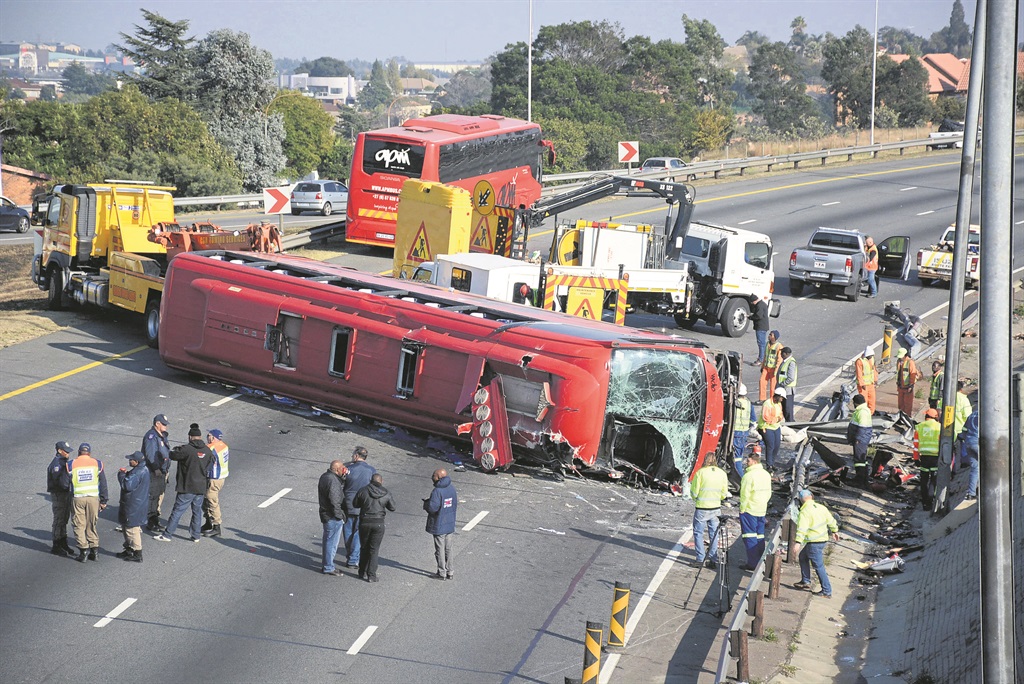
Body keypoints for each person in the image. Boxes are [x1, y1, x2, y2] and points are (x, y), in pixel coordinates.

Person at [155, 423, 215, 543]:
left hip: (187, 486)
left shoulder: (186, 449)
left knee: (177, 511)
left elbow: (172, 454)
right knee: (197, 511)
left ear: (190, 437)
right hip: (200, 487)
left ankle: (167, 534)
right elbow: (211, 464)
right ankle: (196, 535)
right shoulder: (207, 451)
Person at [792, 490, 840, 598]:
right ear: (812, 497)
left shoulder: (805, 512)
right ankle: (805, 581)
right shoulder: (821, 508)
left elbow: (802, 528)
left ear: (801, 500)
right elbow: (831, 520)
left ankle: (826, 591)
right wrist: (835, 531)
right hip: (822, 540)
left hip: (814, 542)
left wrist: (798, 542)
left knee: (819, 566)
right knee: (803, 557)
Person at [67, 443, 108, 562]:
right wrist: (104, 500)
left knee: (79, 525)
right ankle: (94, 551)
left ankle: (83, 551)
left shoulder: (71, 464)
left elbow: (66, 483)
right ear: (89, 453)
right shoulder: (97, 463)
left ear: (79, 452)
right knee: (91, 524)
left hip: (78, 498)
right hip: (93, 498)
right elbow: (103, 483)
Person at [353, 473, 396, 583]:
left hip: (365, 522)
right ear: (381, 481)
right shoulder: (386, 492)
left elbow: (355, 504)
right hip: (378, 523)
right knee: (374, 549)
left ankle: (361, 571)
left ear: (370, 480)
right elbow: (392, 507)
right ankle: (371, 575)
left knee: (364, 547)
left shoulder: (363, 490)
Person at [689, 455, 729, 569]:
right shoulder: (722, 473)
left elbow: (694, 492)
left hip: (702, 508)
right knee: (714, 534)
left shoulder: (700, 473)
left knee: (698, 533)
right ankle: (713, 559)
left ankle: (700, 559)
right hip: (716, 508)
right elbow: (724, 493)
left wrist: (696, 498)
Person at [342, 446, 376, 569]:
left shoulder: (348, 469)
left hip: (348, 504)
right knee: (357, 533)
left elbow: (341, 482)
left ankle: (350, 555)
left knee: (347, 531)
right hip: (363, 505)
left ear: (356, 456)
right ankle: (352, 559)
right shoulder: (372, 470)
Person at [739, 449, 772, 570]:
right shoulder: (766, 474)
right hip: (761, 509)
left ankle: (753, 563)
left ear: (753, 461)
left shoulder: (749, 476)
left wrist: (742, 509)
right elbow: (769, 492)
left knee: (749, 536)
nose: (746, 462)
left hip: (750, 509)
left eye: (748, 460)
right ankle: (761, 560)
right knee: (760, 536)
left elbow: (745, 494)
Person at [116, 451, 150, 563]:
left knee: (132, 529)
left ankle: (137, 552)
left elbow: (127, 486)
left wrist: (121, 475)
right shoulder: (142, 470)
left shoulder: (137, 472)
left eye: (131, 460)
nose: (129, 461)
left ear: (136, 462)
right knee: (126, 527)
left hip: (133, 506)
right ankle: (129, 549)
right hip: (137, 504)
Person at [424, 468, 458, 580]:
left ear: (438, 477)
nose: (432, 477)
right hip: (449, 523)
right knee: (449, 548)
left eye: (433, 475)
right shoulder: (451, 488)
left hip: (439, 524)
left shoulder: (437, 491)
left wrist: (426, 504)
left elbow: (433, 508)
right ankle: (450, 571)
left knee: (440, 549)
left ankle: (441, 572)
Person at [318, 460, 348, 575]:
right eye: (342, 468)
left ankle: (327, 564)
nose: (344, 470)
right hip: (332, 517)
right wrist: (340, 516)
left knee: (328, 541)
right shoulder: (333, 481)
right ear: (336, 469)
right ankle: (328, 567)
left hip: (326, 515)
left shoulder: (325, 477)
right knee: (332, 543)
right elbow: (335, 501)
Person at [142, 414, 171, 533]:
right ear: (157, 424)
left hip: (162, 471)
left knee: (158, 494)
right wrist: (155, 468)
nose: (166, 426)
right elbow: (150, 454)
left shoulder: (162, 436)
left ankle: (154, 518)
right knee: (153, 496)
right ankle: (151, 520)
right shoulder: (151, 436)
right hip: (155, 472)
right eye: (163, 424)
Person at [46, 440, 75, 556]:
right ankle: (56, 544)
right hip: (59, 495)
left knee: (64, 518)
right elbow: (61, 482)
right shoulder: (57, 464)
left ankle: (63, 542)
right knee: (59, 519)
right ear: (59, 451)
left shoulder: (64, 462)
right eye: (66, 451)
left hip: (65, 494)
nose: (68, 453)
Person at [202, 429, 229, 538]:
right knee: (206, 499)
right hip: (221, 478)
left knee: (211, 501)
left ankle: (216, 526)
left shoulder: (211, 448)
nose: (207, 437)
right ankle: (208, 522)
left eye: (208, 436)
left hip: (214, 479)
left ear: (213, 437)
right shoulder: (223, 446)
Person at [914, 408, 941, 510]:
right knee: (933, 480)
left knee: (924, 480)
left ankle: (925, 502)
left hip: (924, 457)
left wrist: (916, 458)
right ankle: (930, 501)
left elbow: (916, 444)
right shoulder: (939, 427)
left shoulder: (920, 427)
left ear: (926, 417)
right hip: (935, 457)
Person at [846, 394, 873, 487]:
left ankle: (859, 480)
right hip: (861, 439)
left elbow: (862, 427)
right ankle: (864, 479)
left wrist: (858, 439)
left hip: (860, 439)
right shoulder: (862, 410)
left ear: (855, 403)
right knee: (862, 460)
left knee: (859, 460)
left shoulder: (862, 412)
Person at [758, 388, 786, 471]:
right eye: (781, 398)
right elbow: (766, 418)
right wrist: (776, 419)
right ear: (777, 396)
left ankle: (772, 463)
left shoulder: (779, 404)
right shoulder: (767, 404)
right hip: (766, 427)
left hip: (776, 427)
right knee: (770, 446)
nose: (782, 399)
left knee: (776, 446)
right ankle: (769, 465)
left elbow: (781, 415)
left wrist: (776, 419)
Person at [732, 384, 756, 478]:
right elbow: (753, 420)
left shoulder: (734, 402)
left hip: (735, 432)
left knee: (737, 457)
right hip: (744, 433)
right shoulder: (749, 403)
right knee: (739, 455)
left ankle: (741, 478)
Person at [895, 348, 923, 418]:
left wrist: (911, 385)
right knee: (901, 404)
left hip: (907, 387)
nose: (900, 358)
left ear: (905, 355)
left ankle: (907, 418)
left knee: (908, 404)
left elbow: (912, 375)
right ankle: (901, 417)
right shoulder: (899, 361)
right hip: (900, 386)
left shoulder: (910, 362)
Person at [759, 330, 783, 402]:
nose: (769, 336)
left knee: (773, 386)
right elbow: (765, 356)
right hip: (766, 368)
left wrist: (776, 371)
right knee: (762, 382)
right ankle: (762, 399)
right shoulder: (767, 344)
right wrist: (762, 366)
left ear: (774, 337)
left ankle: (772, 400)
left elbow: (779, 360)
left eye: (771, 335)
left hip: (773, 369)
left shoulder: (779, 346)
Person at [961, 410, 979, 501]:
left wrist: (966, 440)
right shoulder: (986, 414)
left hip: (969, 443)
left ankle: (971, 493)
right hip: (978, 443)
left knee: (975, 468)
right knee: (988, 465)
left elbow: (964, 430)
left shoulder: (972, 415)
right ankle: (983, 489)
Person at [777, 347, 798, 422]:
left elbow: (790, 378)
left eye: (782, 353)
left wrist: (782, 384)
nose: (780, 354)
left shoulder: (791, 362)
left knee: (788, 409)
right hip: (783, 389)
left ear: (786, 354)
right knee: (784, 409)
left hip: (788, 389)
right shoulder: (785, 361)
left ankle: (791, 424)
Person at [748, 295, 770, 365]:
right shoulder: (763, 304)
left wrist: (750, 317)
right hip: (764, 326)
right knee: (763, 343)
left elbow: (758, 316)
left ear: (754, 301)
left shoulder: (759, 306)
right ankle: (763, 358)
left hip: (760, 327)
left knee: (761, 344)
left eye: (752, 302)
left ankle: (760, 360)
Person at [855, 347, 877, 413]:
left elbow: (874, 370)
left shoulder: (872, 359)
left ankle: (871, 413)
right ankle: (863, 413)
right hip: (863, 386)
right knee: (864, 401)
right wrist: (862, 384)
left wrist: (875, 379)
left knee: (872, 400)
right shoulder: (859, 361)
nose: (871, 357)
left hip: (870, 384)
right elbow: (859, 373)